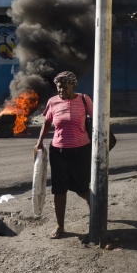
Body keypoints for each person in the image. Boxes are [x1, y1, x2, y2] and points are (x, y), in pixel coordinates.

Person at [34, 71, 93, 239]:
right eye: (59, 87)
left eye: (65, 87)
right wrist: (39, 142)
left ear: (73, 86)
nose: (61, 90)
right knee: (59, 190)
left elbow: (97, 118)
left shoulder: (83, 99)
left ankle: (96, 216)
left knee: (82, 188)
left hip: (81, 150)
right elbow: (47, 122)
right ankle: (60, 226)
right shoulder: (53, 102)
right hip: (58, 151)